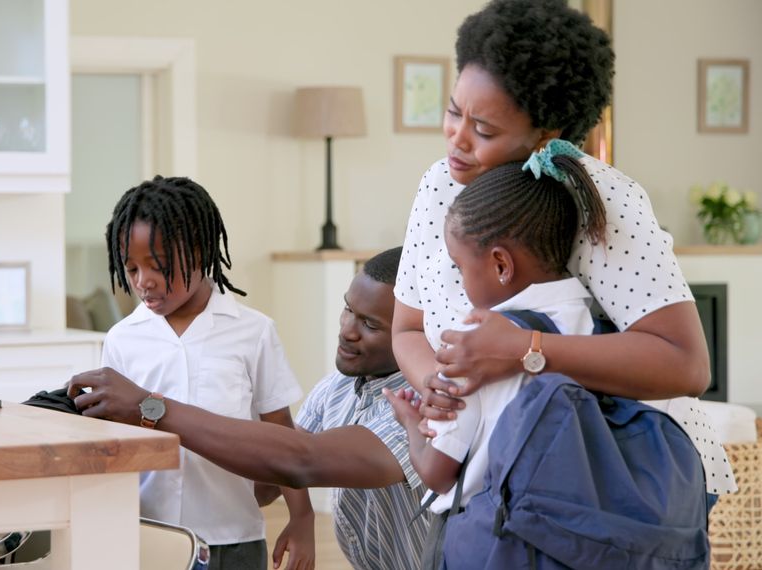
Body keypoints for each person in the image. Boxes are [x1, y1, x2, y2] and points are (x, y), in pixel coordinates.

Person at [392, 0, 736, 500]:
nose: (456, 139)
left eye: (484, 130)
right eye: (452, 111)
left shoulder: (601, 199)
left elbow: (685, 365)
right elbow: (406, 326)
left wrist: (523, 352)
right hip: (499, 481)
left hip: (624, 490)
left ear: (546, 135)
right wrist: (440, 389)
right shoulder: (439, 187)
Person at [70, 247, 430, 570]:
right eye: (348, 310)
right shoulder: (337, 388)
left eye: (369, 324)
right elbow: (272, 464)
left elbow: (298, 459)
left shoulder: (426, 403)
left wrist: (149, 408)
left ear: (417, 332)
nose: (347, 331)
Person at [389, 151, 607, 569]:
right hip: (571, 536)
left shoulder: (476, 344)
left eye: (459, 267)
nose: (459, 281)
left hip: (493, 541)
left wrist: (412, 426)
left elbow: (438, 471)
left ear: (501, 265)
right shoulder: (589, 321)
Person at [98, 175, 314, 570]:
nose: (143, 281)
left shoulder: (253, 331)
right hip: (149, 535)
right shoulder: (121, 340)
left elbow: (282, 431)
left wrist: (302, 518)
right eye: (130, 269)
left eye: (157, 266)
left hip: (233, 539)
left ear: (198, 251)